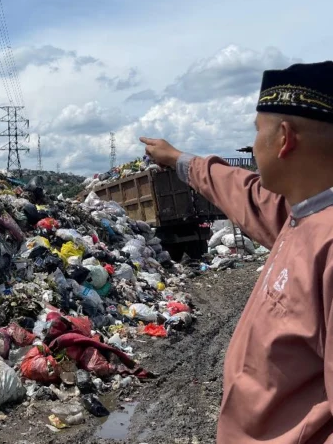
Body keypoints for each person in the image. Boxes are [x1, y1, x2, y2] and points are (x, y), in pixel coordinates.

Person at [141, 61, 333, 443]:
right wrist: (179, 160)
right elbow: (242, 191)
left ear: (284, 138)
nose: (253, 145)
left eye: (257, 131)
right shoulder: (299, 216)